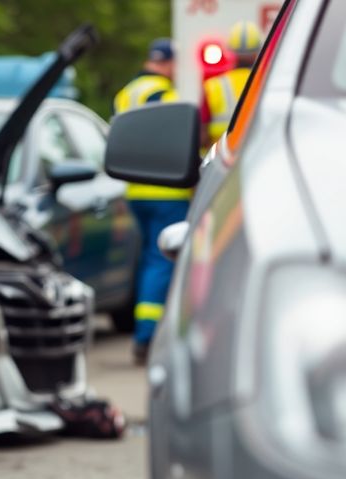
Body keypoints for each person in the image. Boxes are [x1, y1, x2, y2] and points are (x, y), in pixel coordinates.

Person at [113, 38, 192, 365]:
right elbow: (178, 136)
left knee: (149, 260)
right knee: (163, 262)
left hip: (136, 191)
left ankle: (145, 335)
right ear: (170, 64)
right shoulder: (164, 93)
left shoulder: (125, 94)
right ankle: (148, 338)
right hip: (167, 191)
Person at [202, 21, 263, 145]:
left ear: (230, 52)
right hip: (258, 156)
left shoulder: (212, 86)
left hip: (220, 159)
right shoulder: (267, 84)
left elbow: (202, 136)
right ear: (258, 51)